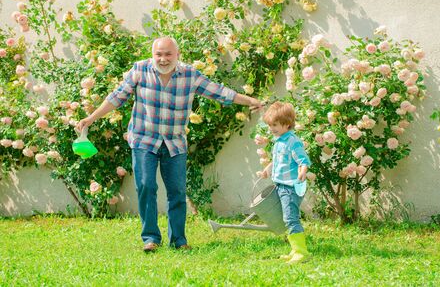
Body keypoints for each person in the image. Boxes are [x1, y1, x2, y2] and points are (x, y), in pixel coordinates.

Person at [76, 37, 263, 252]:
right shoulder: (140, 70)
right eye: (159, 54)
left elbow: (220, 92)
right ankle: (151, 238)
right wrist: (91, 118)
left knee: (176, 190)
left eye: (168, 54)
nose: (163, 59)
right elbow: (116, 97)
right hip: (143, 139)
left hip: (174, 142)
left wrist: (250, 100)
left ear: (177, 55)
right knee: (146, 186)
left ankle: (179, 240)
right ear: (153, 54)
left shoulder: (190, 75)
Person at [258, 101, 311, 264]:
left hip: (291, 187)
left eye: (275, 125)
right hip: (280, 185)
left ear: (287, 124)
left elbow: (303, 159)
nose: (271, 128)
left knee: (291, 218)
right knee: (287, 217)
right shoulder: (279, 141)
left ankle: (302, 252)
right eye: (270, 125)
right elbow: (277, 160)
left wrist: (303, 170)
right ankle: (295, 250)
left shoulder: (292, 141)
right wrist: (267, 170)